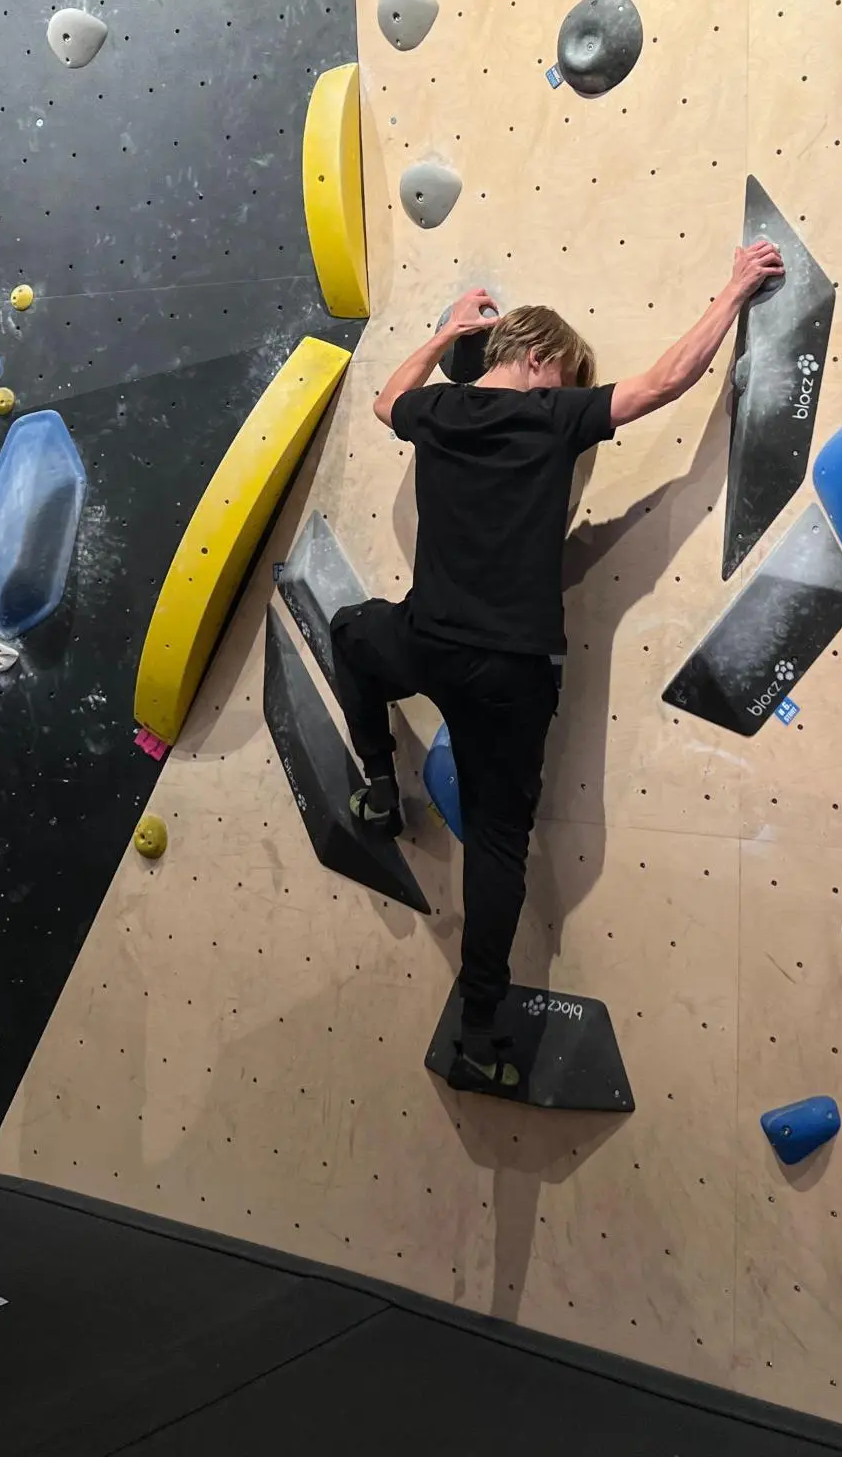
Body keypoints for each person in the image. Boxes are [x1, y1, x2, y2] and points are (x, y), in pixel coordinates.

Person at [328, 239, 784, 1093]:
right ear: (539, 360)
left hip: (427, 639)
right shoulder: (552, 417)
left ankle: (379, 781)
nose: (572, 392)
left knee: (353, 634)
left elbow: (389, 400)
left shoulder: (444, 411)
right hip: (513, 675)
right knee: (499, 843)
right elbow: (661, 385)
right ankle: (479, 1026)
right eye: (567, 374)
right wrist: (730, 294)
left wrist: (446, 333)